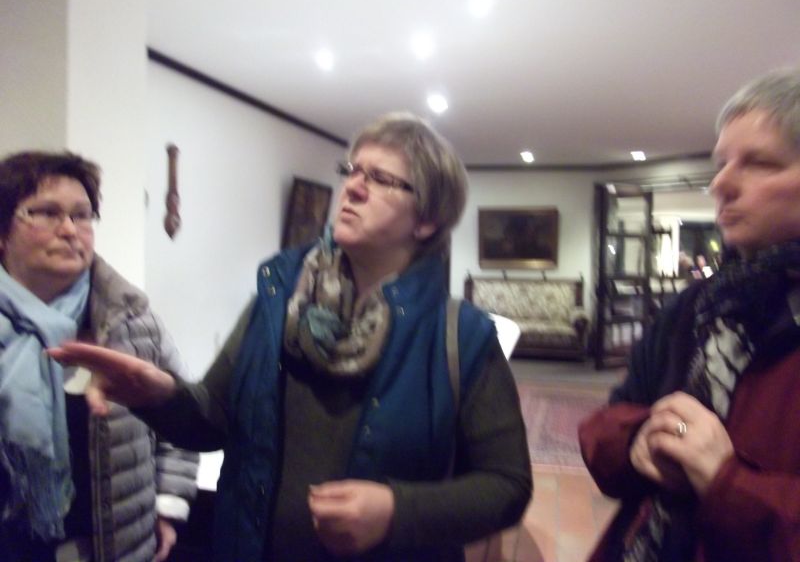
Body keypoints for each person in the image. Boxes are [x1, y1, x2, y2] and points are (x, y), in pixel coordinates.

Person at [49, 112, 533, 561]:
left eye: (381, 179)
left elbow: (507, 485)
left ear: (427, 220)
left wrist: (396, 511)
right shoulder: (280, 297)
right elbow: (213, 419)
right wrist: (159, 395)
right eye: (352, 171)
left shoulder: (462, 336)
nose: (353, 187)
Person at [579, 67, 800, 560]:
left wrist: (726, 481)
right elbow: (609, 419)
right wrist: (638, 441)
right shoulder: (694, 306)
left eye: (760, 163)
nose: (721, 183)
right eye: (721, 163)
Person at [0, 152, 199, 562]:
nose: (69, 229)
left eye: (82, 215)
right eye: (47, 213)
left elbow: (181, 415)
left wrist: (167, 505)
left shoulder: (132, 322)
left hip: (111, 549)